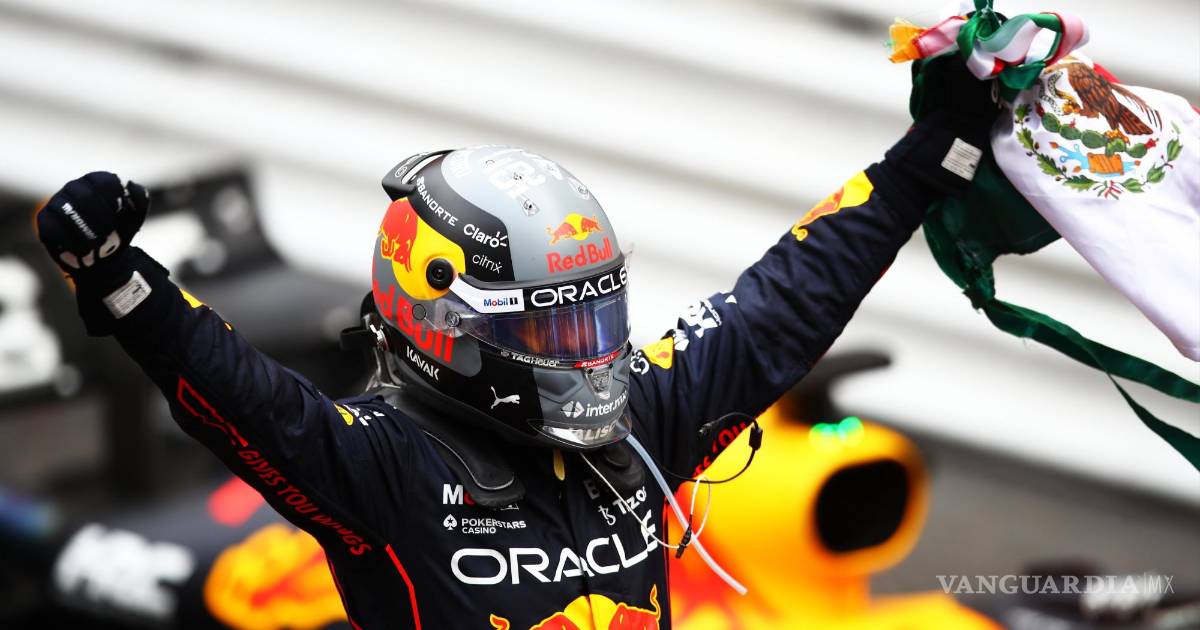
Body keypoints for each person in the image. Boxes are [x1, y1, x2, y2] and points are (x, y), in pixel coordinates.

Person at [35, 57, 995, 629]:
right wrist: (121, 281)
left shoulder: (646, 419)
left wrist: (934, 152)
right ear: (445, 326)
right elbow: (236, 390)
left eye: (593, 317)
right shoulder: (381, 468)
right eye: (549, 326)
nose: (585, 354)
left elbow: (786, 299)